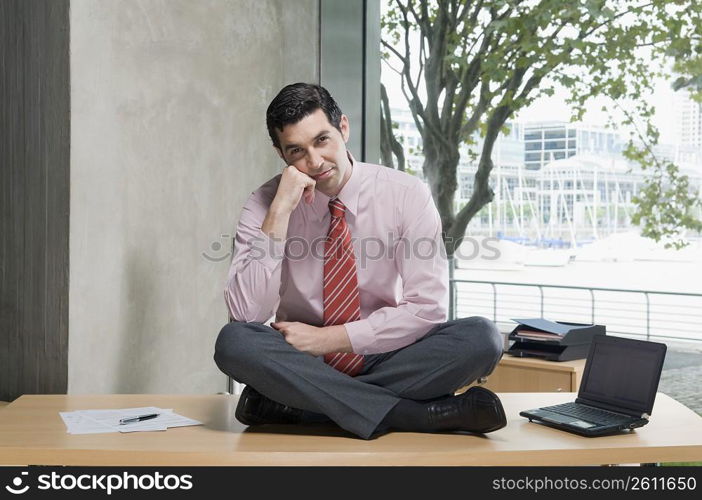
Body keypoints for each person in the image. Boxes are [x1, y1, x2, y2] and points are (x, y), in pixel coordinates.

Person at [214, 83, 506, 439]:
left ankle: (300, 409)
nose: (315, 162)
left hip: (384, 354)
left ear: (344, 129)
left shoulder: (406, 195)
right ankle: (413, 415)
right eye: (297, 151)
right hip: (303, 361)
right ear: (281, 154)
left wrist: (332, 339)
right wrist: (279, 212)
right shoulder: (266, 202)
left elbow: (427, 309)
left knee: (482, 338)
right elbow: (246, 315)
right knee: (235, 342)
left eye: (322, 140)